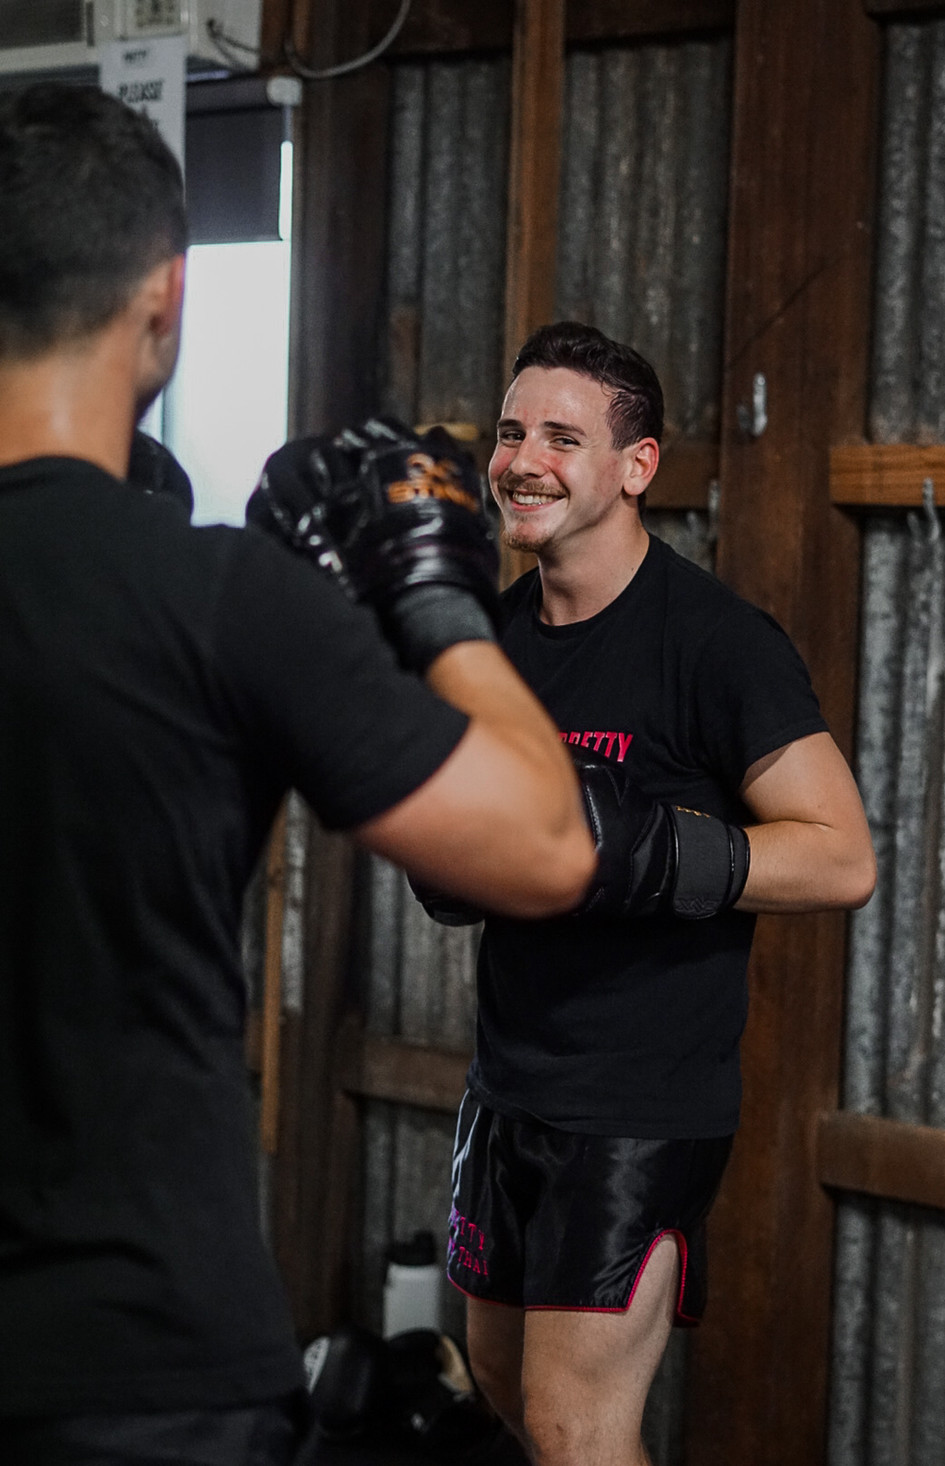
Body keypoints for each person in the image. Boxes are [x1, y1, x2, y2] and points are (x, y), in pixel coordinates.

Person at [0, 86, 597, 1466]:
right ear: (166, 299)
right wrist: (433, 594)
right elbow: (545, 844)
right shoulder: (218, 602)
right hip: (136, 1362)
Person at [421, 322, 877, 1466]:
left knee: (578, 1429)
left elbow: (839, 856)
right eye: (515, 429)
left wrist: (653, 851)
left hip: (637, 1104)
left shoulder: (715, 643)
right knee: (503, 1387)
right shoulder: (493, 640)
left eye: (562, 437)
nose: (523, 458)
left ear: (636, 466)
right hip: (508, 1076)